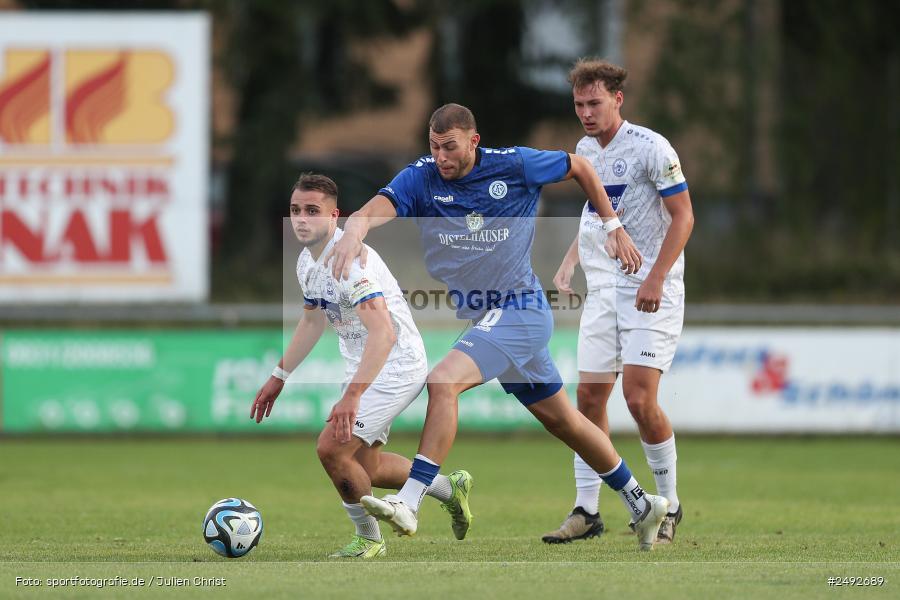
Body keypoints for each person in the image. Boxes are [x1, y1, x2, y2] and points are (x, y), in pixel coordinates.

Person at [326, 103, 669, 551]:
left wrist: (613, 226)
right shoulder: (423, 176)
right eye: (434, 147)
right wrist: (355, 228)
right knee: (567, 422)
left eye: (450, 147)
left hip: (521, 309)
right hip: (490, 317)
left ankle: (410, 500)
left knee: (443, 381)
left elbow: (581, 166)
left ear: (473, 141)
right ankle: (641, 503)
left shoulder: (515, 164)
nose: (442, 157)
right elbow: (376, 208)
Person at [250, 173, 474, 559]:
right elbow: (312, 320)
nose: (301, 219)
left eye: (312, 211)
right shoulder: (307, 261)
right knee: (365, 468)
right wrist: (279, 375)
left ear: (335, 216)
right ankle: (447, 489)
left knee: (331, 450)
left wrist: (353, 394)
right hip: (364, 364)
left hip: (396, 362)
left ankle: (369, 538)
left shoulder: (351, 263)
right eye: (295, 210)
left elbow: (384, 334)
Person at [543, 59, 694, 545]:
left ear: (618, 99)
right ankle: (587, 510)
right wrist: (572, 258)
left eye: (595, 103)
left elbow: (684, 217)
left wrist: (655, 276)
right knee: (587, 400)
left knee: (638, 398)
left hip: (652, 291)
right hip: (604, 290)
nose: (586, 113)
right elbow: (600, 213)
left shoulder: (653, 148)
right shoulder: (586, 149)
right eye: (579, 104)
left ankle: (668, 506)